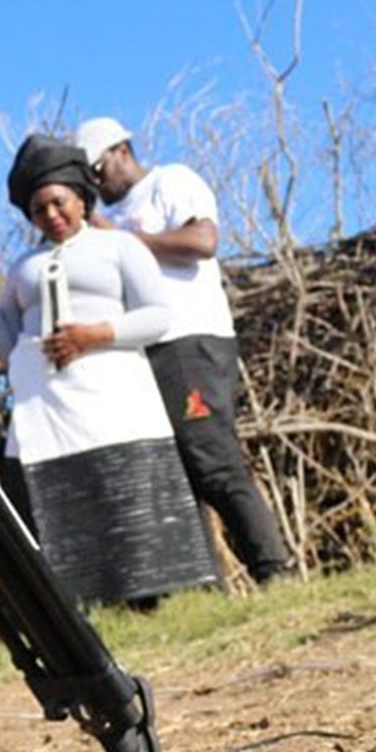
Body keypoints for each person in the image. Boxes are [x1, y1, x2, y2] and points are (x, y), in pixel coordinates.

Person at [0, 134, 220, 608]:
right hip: (48, 408)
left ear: (81, 199)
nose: (50, 215)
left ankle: (154, 597)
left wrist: (93, 334)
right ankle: (84, 600)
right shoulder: (24, 268)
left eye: (58, 202)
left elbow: (157, 316)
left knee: (127, 491)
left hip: (113, 397)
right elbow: (4, 349)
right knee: (68, 500)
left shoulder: (118, 247)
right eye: (38, 209)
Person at [74, 116, 296, 582]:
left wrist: (120, 239)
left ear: (121, 150)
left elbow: (202, 240)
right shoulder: (103, 223)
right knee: (172, 474)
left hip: (189, 339)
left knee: (211, 457)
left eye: (98, 170)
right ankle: (202, 586)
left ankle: (274, 569)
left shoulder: (170, 182)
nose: (97, 183)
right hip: (141, 351)